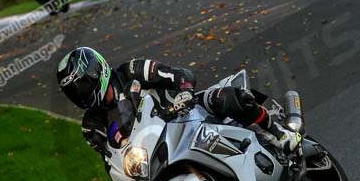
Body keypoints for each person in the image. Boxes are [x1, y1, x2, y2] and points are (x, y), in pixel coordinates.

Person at [56, 47, 301, 156]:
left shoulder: (131, 71)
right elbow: (111, 161)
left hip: (190, 115)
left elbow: (180, 74)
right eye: (73, 91)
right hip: (159, 151)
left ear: (96, 71)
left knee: (225, 97)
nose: (80, 93)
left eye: (82, 84)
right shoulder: (92, 124)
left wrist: (184, 91)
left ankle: (278, 132)